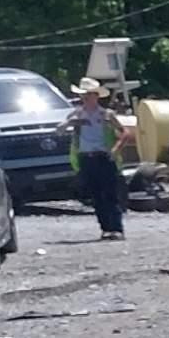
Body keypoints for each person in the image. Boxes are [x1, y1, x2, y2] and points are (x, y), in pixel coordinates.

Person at [70, 79, 124, 239]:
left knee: (110, 193)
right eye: (83, 95)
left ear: (96, 96)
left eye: (88, 95)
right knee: (96, 195)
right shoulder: (78, 114)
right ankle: (105, 228)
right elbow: (63, 127)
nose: (85, 98)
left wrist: (115, 149)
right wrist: (68, 124)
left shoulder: (106, 114)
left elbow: (124, 132)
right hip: (86, 157)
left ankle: (117, 228)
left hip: (104, 156)